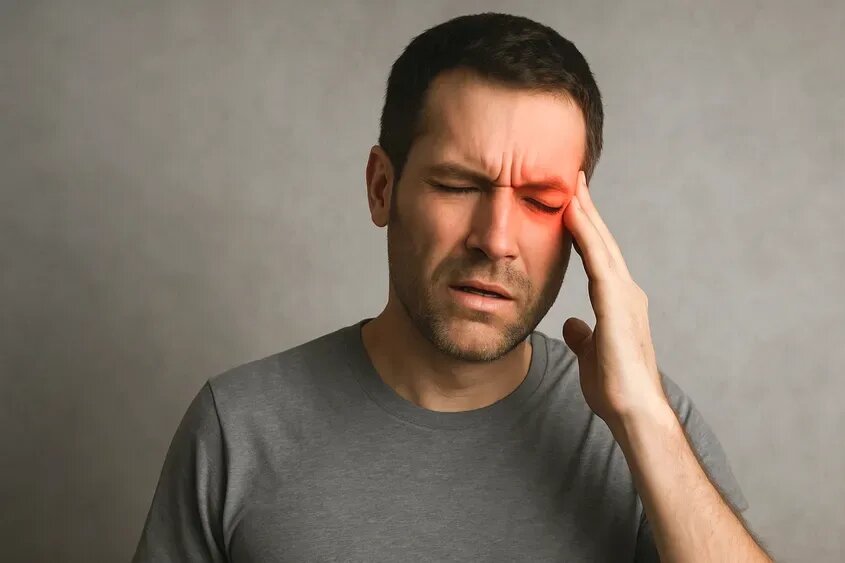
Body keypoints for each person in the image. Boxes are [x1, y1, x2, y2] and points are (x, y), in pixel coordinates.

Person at [132, 12, 771, 562]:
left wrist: (642, 419)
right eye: (458, 185)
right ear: (382, 188)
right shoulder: (238, 428)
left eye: (540, 201)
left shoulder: (649, 427)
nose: (496, 239)